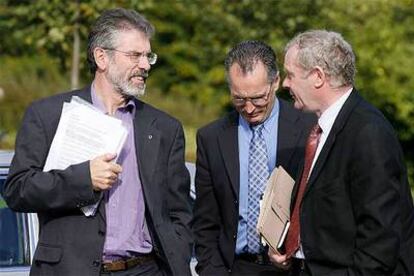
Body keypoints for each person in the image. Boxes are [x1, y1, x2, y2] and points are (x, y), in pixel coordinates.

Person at [2, 8, 193, 276]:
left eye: (148, 55)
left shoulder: (164, 128)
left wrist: (178, 261)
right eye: (134, 55)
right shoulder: (48, 115)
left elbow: (179, 213)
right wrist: (83, 179)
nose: (146, 65)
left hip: (144, 270)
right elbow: (16, 190)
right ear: (101, 57)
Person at [269, 30, 414, 275]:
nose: (285, 83)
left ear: (317, 76)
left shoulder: (368, 132)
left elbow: (380, 240)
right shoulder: (320, 128)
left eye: (291, 75)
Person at [192, 40, 315, 276]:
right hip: (235, 268)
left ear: (276, 82)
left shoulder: (309, 128)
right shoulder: (211, 138)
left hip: (294, 270)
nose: (249, 108)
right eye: (239, 99)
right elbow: (205, 221)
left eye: (258, 98)